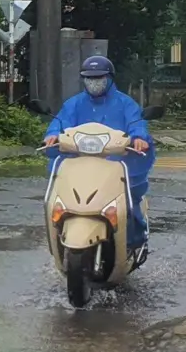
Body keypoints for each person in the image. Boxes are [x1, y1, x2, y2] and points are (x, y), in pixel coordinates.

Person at [45, 56, 154, 262]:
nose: (94, 82)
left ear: (110, 78)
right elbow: (60, 123)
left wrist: (139, 138)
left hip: (115, 166)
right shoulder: (74, 104)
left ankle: (135, 241)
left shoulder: (125, 103)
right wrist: (52, 136)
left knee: (129, 203)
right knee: (57, 200)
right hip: (79, 166)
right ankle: (58, 242)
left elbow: (136, 123)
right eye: (89, 78)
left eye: (99, 77)